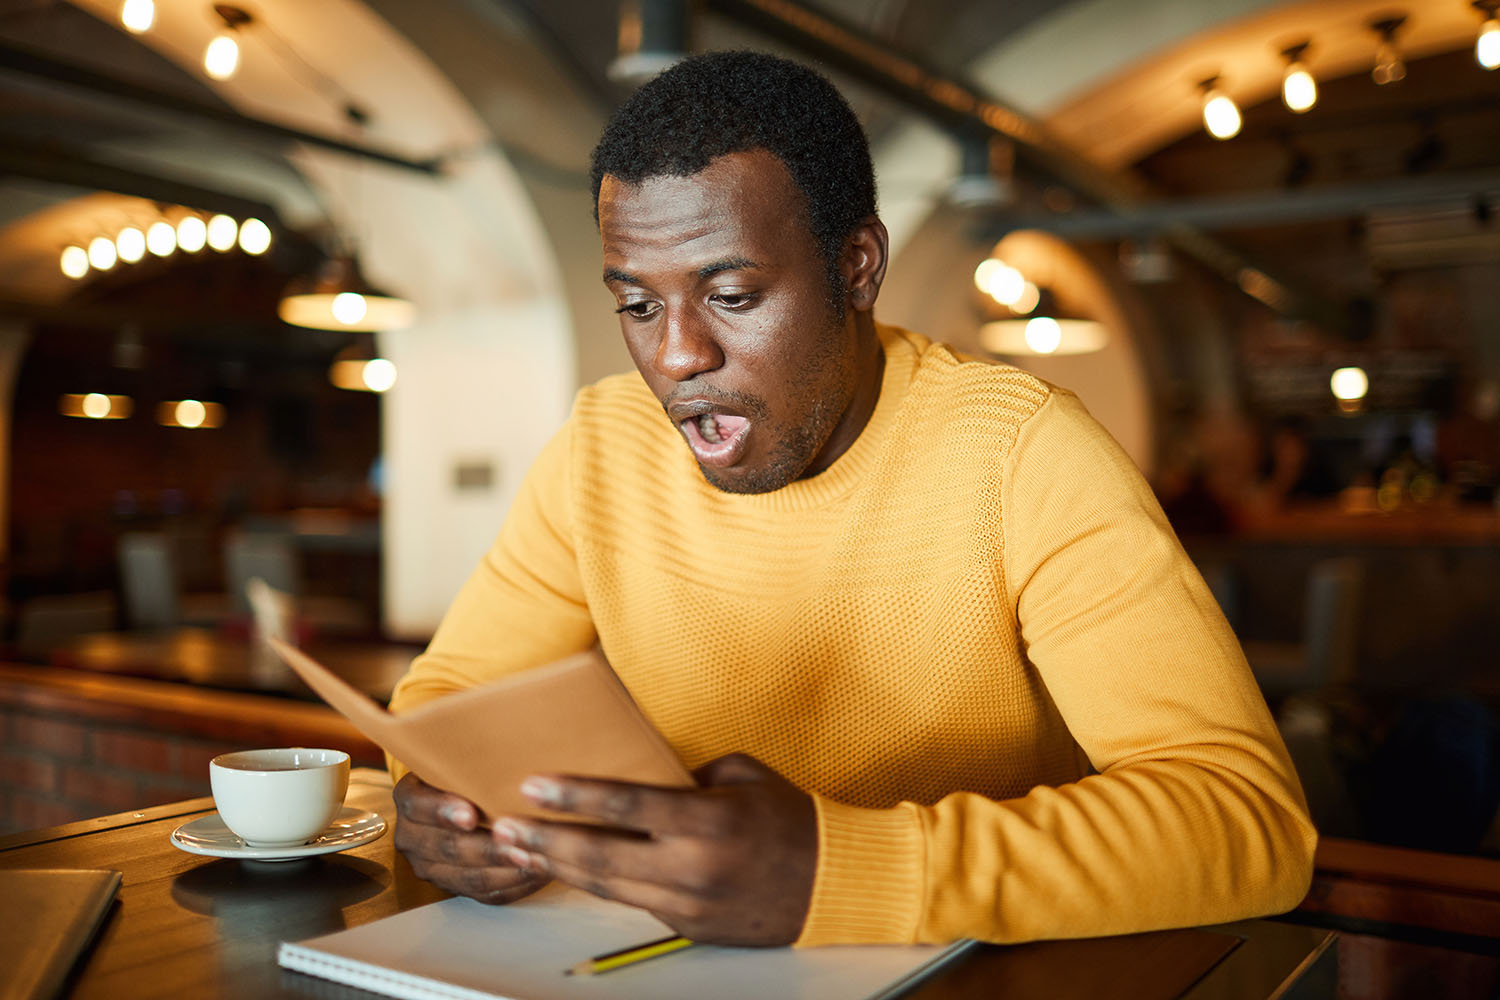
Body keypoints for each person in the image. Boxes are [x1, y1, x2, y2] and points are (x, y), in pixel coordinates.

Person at [388, 50, 1316, 949]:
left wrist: (843, 868)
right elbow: (445, 697)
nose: (675, 358)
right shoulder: (601, 446)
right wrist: (439, 797)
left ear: (858, 266)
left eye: (734, 295)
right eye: (637, 306)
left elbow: (1245, 819)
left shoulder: (1022, 453)